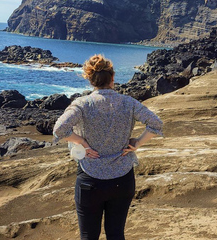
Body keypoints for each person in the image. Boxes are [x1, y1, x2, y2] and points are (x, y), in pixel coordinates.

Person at [53, 54, 163, 240]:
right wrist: (137, 143)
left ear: (90, 80)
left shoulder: (82, 104)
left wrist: (82, 142)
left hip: (90, 179)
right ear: (112, 79)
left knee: (89, 236)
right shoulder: (129, 103)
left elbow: (59, 130)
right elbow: (156, 124)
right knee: (116, 234)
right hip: (122, 179)